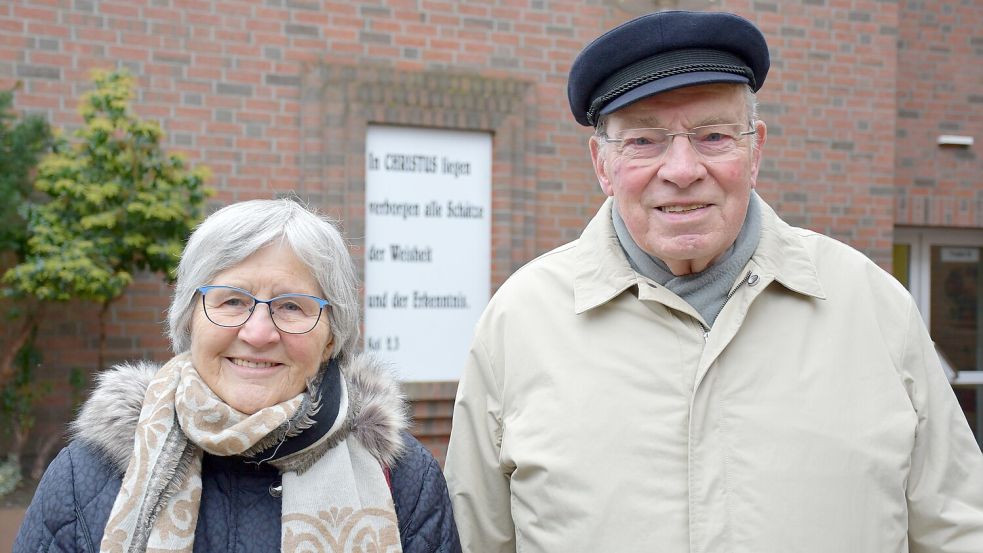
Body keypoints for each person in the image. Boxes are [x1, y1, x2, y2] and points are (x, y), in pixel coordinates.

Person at [444, 10, 983, 553]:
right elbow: (472, 540)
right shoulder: (520, 322)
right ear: (602, 165)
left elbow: (960, 530)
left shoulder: (872, 307)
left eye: (714, 136)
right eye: (644, 141)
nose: (681, 169)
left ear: (755, 152)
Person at [16, 199, 461, 553]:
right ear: (190, 318)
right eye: (231, 301)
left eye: (291, 306)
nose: (258, 332)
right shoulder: (85, 475)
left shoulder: (404, 481)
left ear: (331, 338)